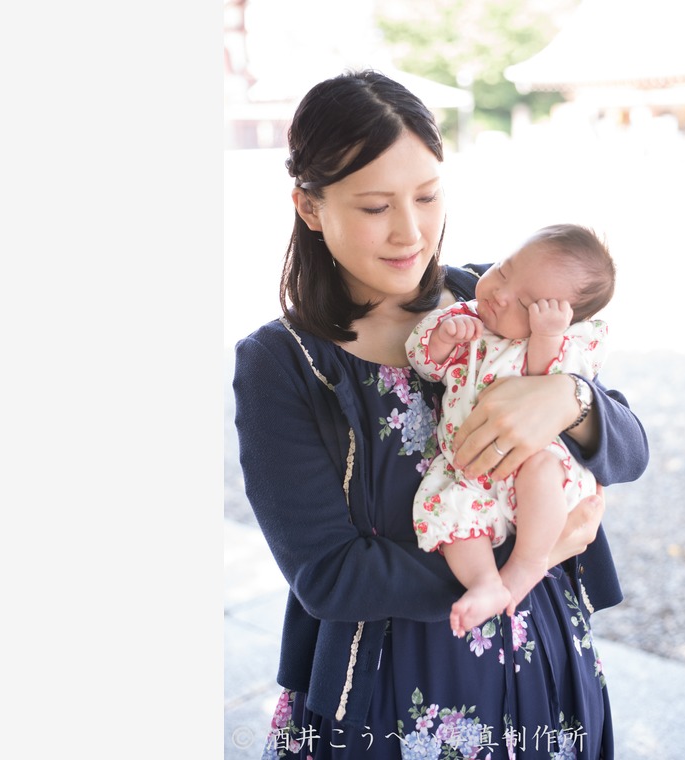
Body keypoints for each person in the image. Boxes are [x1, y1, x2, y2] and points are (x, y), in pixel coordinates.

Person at [232, 70, 649, 759]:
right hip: (391, 697)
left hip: (545, 669)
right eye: (374, 207)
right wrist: (526, 557)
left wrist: (569, 398)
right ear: (309, 207)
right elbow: (330, 574)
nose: (411, 232)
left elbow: (629, 451)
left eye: (427, 196)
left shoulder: (492, 302)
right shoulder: (283, 364)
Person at [406, 224, 615, 638]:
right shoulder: (466, 321)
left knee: (541, 470)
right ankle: (485, 582)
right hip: (468, 470)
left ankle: (528, 564)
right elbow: (425, 363)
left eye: (527, 303)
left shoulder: (562, 343)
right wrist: (445, 338)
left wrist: (546, 335)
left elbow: (548, 379)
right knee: (449, 510)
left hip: (531, 468)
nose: (500, 293)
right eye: (503, 270)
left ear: (563, 317)